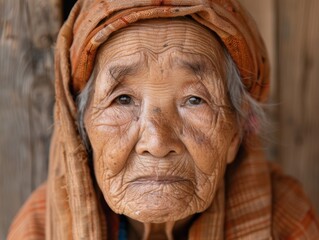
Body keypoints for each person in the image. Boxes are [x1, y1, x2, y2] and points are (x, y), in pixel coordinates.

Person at [8, 0, 319, 239]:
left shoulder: (286, 222)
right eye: (123, 99)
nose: (157, 143)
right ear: (82, 129)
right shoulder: (38, 228)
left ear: (236, 133)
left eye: (194, 100)